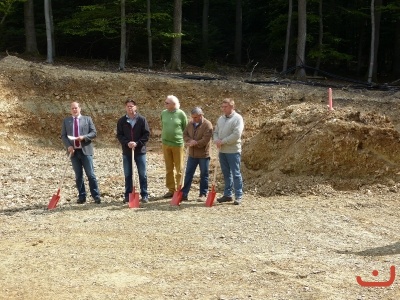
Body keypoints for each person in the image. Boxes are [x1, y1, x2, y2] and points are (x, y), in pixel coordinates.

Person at [61, 102, 101, 204]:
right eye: (72, 108)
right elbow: (64, 136)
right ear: (70, 110)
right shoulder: (66, 121)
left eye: (76, 108)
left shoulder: (87, 119)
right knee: (78, 175)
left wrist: (84, 137)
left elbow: (93, 133)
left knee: (91, 174)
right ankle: (82, 196)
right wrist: (68, 146)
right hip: (73, 152)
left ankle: (96, 196)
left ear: (80, 108)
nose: (74, 110)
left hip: (86, 150)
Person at [117, 99, 150, 203]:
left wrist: (137, 143)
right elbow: (119, 135)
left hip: (140, 151)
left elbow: (146, 134)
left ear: (135, 107)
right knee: (128, 174)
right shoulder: (121, 121)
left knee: (142, 174)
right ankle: (128, 195)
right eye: (128, 106)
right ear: (125, 108)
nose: (130, 108)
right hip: (127, 152)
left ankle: (144, 195)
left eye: (131, 106)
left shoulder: (142, 120)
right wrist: (127, 143)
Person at [213, 98, 244, 205]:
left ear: (232, 107)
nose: (223, 109)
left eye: (225, 107)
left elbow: (236, 134)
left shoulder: (238, 119)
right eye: (222, 107)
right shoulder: (220, 119)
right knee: (226, 173)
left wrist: (223, 141)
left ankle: (239, 196)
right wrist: (216, 140)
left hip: (233, 151)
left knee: (235, 173)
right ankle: (227, 194)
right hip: (222, 151)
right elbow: (215, 131)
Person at [181, 107, 213, 202]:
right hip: (192, 154)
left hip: (203, 155)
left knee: (204, 174)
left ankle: (203, 194)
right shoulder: (190, 123)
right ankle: (184, 194)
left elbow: (206, 139)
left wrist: (196, 143)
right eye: (192, 117)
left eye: (195, 117)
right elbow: (185, 134)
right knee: (188, 174)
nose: (193, 119)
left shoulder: (208, 125)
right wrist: (189, 140)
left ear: (200, 115)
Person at [161, 95, 188, 198]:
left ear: (173, 104)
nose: (165, 104)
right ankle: (171, 189)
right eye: (165, 102)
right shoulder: (163, 113)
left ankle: (180, 189)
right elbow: (162, 125)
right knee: (168, 168)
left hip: (178, 144)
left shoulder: (181, 114)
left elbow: (185, 128)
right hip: (166, 144)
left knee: (179, 168)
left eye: (167, 103)